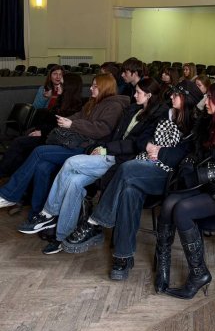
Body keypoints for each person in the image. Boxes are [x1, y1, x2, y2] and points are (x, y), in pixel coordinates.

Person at [60, 80, 203, 281]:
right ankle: (123, 256)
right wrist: (150, 146)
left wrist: (160, 152)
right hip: (146, 165)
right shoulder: (167, 113)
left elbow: (186, 156)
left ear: (187, 99)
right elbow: (143, 138)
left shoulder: (196, 123)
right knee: (129, 191)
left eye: (176, 95)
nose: (171, 96)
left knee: (127, 168)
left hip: (169, 175)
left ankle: (95, 221)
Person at [20, 77, 168, 254]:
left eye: (138, 92)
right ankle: (62, 236)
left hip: (121, 161)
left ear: (149, 95)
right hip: (110, 154)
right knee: (73, 182)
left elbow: (135, 144)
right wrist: (100, 147)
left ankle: (48, 214)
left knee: (71, 162)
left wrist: (105, 149)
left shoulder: (156, 116)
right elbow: (114, 135)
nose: (134, 95)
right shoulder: (133, 109)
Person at [155, 82, 215, 299]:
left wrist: (202, 174)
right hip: (204, 184)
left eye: (210, 98)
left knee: (182, 210)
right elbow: (195, 151)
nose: (205, 102)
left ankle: (199, 273)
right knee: (169, 203)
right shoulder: (208, 121)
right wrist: (189, 167)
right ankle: (163, 261)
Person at [0, 74, 129, 221]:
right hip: (77, 143)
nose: (91, 88)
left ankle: (9, 194)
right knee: (42, 167)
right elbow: (78, 116)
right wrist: (66, 120)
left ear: (104, 87)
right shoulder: (93, 102)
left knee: (39, 151)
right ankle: (38, 214)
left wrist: (72, 124)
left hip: (88, 148)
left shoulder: (114, 106)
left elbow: (102, 129)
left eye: (95, 86)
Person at [0, 73, 83, 179]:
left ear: (69, 87)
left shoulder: (75, 108)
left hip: (53, 139)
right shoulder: (61, 101)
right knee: (23, 143)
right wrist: (38, 129)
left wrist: (42, 132)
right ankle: (12, 174)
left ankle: (4, 172)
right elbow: (47, 119)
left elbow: (61, 129)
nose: (57, 86)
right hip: (46, 133)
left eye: (61, 84)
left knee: (19, 142)